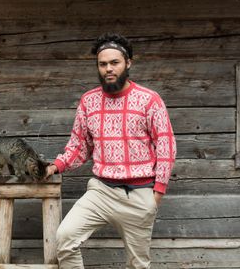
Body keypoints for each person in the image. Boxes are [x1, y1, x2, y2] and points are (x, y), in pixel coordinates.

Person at [45, 33, 177, 269]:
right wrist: (57, 165)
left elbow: (166, 146)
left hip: (139, 194)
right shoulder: (88, 101)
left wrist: (156, 194)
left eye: (114, 63)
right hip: (101, 192)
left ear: (128, 63)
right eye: (102, 64)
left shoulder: (149, 100)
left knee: (138, 265)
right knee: (64, 238)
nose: (108, 69)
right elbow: (79, 145)